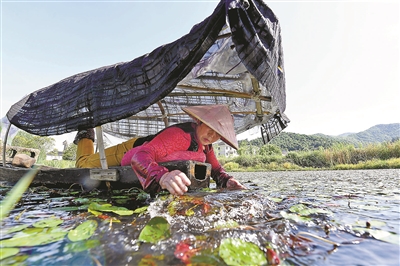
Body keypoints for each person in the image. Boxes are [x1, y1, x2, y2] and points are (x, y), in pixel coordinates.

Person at [74, 104, 246, 195]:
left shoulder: (206, 144)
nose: (212, 135)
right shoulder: (180, 135)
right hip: (134, 149)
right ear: (199, 122)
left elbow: (216, 169)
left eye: (218, 134)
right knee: (83, 165)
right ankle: (85, 133)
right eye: (209, 127)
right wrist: (162, 175)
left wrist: (227, 180)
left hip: (150, 149)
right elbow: (141, 156)